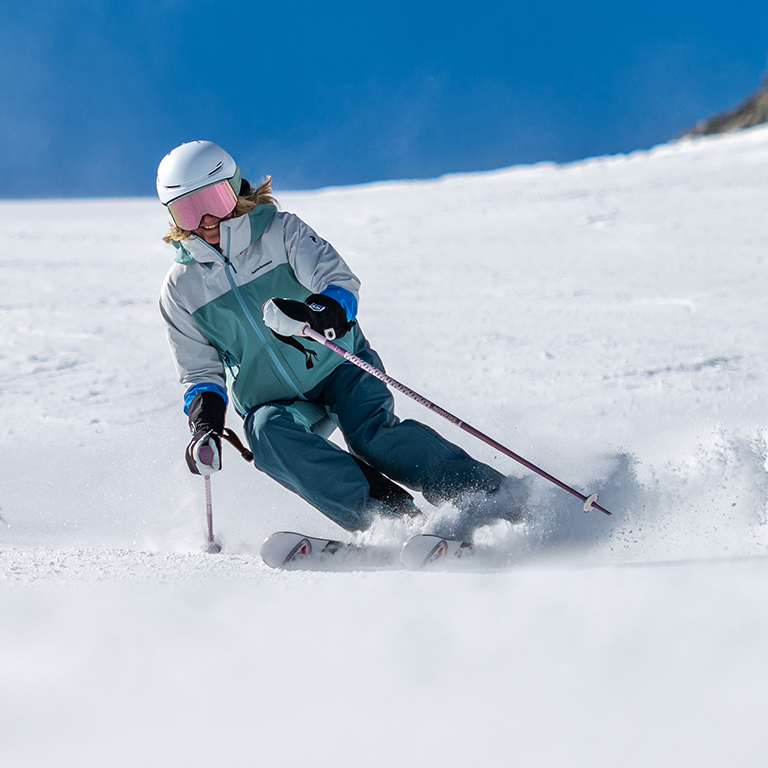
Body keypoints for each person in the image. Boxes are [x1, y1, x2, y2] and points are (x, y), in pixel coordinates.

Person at [157, 140, 511, 534]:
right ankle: (388, 520)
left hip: (340, 364)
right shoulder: (181, 289)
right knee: (265, 434)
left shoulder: (280, 231)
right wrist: (204, 423)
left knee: (372, 437)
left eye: (214, 201)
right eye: (188, 210)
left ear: (236, 190)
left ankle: (487, 495)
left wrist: (315, 311)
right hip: (276, 398)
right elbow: (198, 372)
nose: (205, 220)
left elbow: (339, 282)